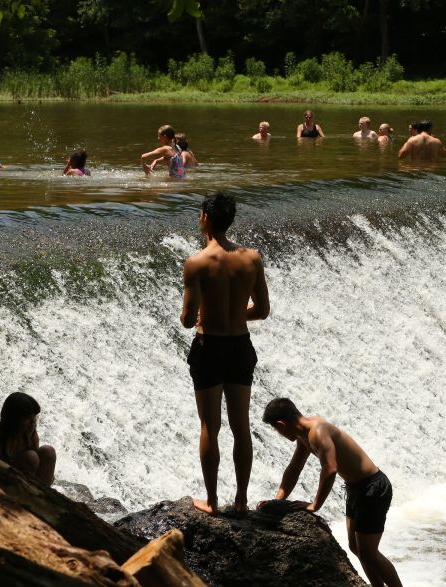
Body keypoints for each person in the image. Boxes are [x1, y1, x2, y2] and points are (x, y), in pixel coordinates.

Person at [181, 193, 270, 515]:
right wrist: (233, 313)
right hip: (240, 346)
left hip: (209, 348)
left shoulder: (197, 263)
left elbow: (189, 320)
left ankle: (214, 501)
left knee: (209, 426)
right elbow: (262, 310)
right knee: (241, 425)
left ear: (205, 217)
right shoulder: (252, 259)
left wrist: (206, 315)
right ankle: (242, 501)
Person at [257, 398, 403, 587]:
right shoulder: (303, 436)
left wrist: (314, 505)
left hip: (372, 488)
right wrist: (276, 501)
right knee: (356, 547)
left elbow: (330, 468)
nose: (279, 434)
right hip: (355, 489)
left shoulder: (317, 431)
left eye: (276, 431)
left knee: (368, 552)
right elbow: (294, 468)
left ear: (281, 424)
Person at [0, 392, 56, 486]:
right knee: (31, 457)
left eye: (34, 416)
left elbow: (38, 464)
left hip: (24, 479)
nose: (33, 421)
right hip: (1, 481)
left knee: (48, 451)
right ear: (14, 419)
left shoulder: (29, 433)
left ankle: (45, 494)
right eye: (27, 418)